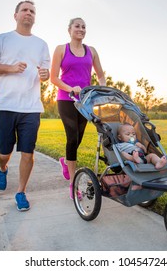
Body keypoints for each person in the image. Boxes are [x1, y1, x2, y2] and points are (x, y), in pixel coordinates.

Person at [0, 0, 50, 211]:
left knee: (28, 153)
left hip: (31, 107)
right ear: (16, 15)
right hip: (5, 105)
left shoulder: (41, 44)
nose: (28, 14)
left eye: (32, 11)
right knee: (4, 152)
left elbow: (46, 73)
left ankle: (21, 192)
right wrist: (10, 68)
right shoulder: (2, 39)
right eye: (25, 10)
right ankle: (2, 168)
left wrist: (45, 75)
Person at [50, 17, 106, 199]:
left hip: (85, 101)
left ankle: (66, 162)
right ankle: (73, 185)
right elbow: (53, 78)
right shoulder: (61, 49)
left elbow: (100, 75)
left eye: (84, 26)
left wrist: (101, 90)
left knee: (79, 137)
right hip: (66, 99)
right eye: (77, 26)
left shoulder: (92, 51)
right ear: (69, 29)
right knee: (72, 136)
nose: (81, 29)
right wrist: (70, 88)